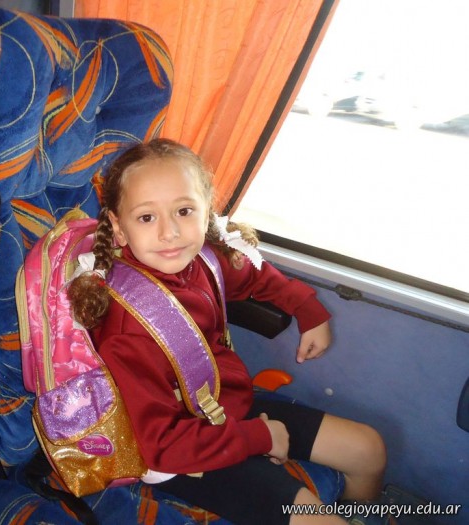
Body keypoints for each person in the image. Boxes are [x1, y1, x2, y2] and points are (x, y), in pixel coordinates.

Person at [67, 138, 387, 525]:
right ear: (118, 229)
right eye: (147, 218)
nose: (170, 232)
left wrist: (306, 307)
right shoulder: (127, 328)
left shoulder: (202, 259)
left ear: (207, 212)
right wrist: (260, 437)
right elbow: (161, 444)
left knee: (368, 449)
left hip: (223, 401)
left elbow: (251, 274)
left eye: (184, 211)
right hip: (180, 451)